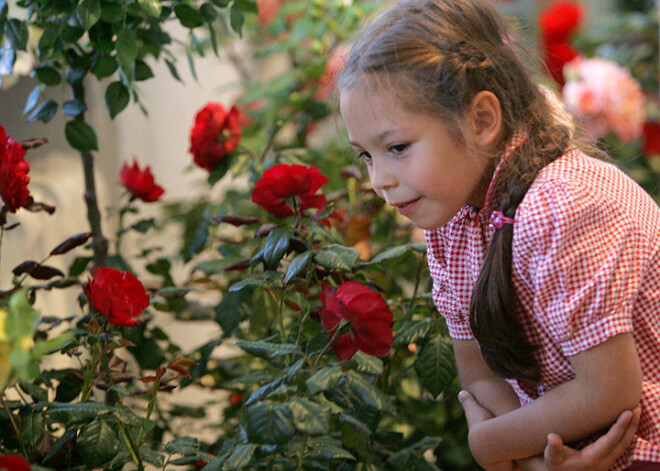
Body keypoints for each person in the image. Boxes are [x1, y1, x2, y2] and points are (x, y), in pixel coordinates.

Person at [336, 0, 660, 470]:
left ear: (482, 121)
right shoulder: (450, 222)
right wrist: (534, 460)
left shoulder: (563, 205)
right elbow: (481, 376)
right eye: (366, 155)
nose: (379, 178)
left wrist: (490, 445)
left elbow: (609, 389)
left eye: (397, 147)